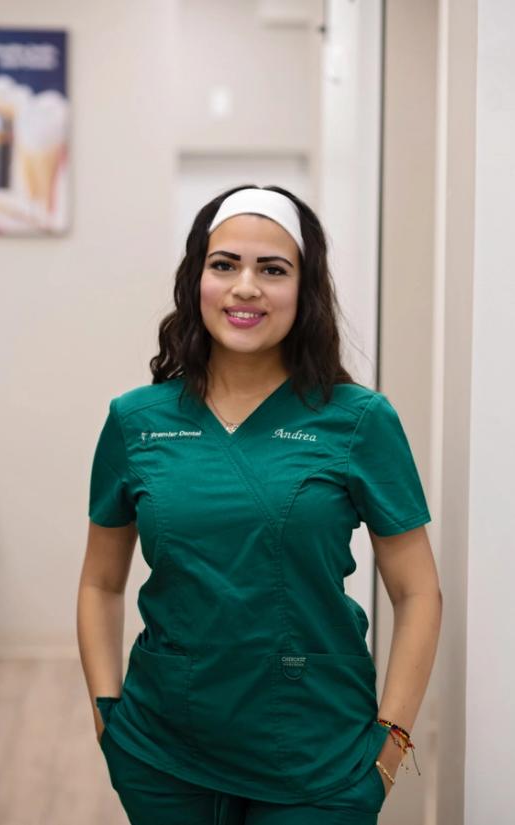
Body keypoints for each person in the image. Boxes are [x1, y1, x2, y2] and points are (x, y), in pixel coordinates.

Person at [77, 184, 443, 825]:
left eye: (272, 270)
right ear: (197, 280)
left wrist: (391, 746)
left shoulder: (358, 420)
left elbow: (417, 592)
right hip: (164, 751)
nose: (245, 287)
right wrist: (108, 717)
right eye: (225, 265)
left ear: (305, 290)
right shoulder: (136, 421)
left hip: (318, 753)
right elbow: (100, 583)